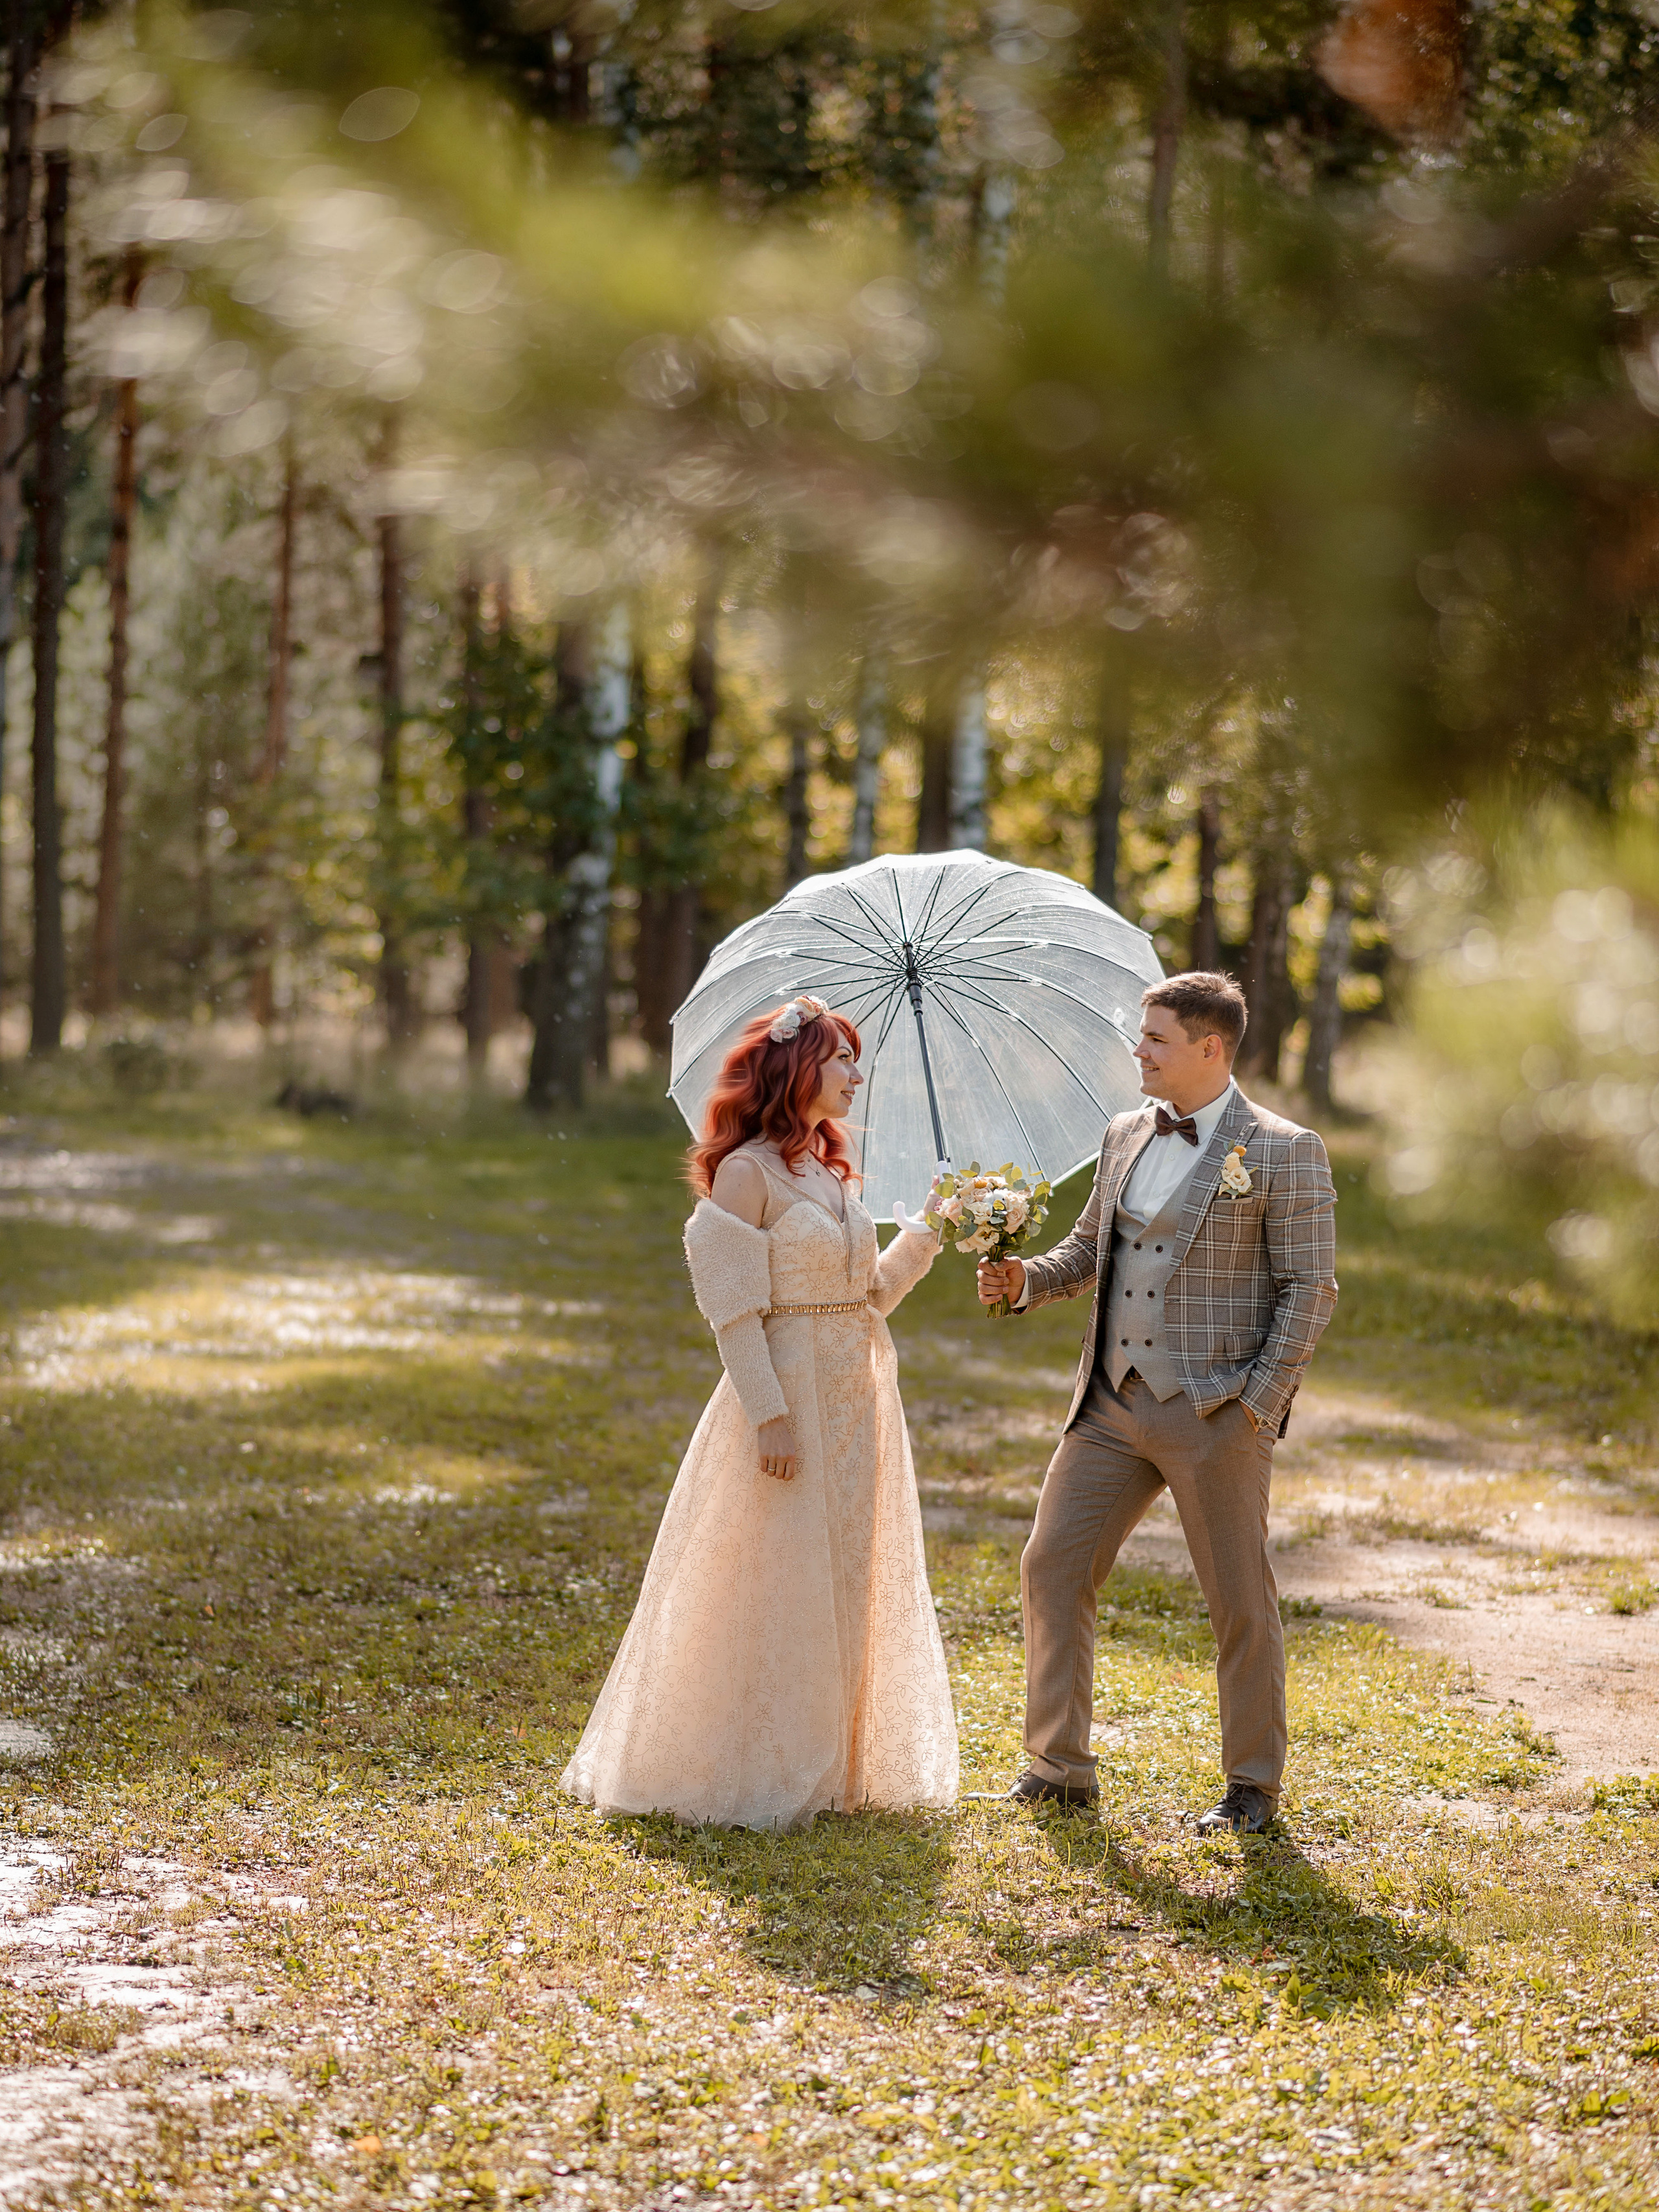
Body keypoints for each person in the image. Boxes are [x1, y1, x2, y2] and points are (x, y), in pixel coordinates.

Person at [561, 995, 958, 1830]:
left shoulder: (829, 1169)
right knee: (778, 1571)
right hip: (787, 1393)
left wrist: (929, 1226)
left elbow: (867, 1296)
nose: (856, 1076)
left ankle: (834, 1759)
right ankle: (756, 1757)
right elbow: (733, 1309)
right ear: (797, 1067)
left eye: (855, 1061)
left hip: (857, 1395)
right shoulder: (746, 1172)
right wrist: (769, 1414)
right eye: (842, 1059)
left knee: (845, 1566)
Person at [976, 971, 1337, 1835]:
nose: (1137, 1050)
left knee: (1237, 1598)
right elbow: (1088, 1248)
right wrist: (1025, 1279)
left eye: (1156, 1038)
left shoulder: (1284, 1149)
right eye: (1141, 1035)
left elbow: (1309, 1289)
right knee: (1052, 1564)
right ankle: (1059, 1768)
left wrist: (1256, 1403)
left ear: (1210, 1048)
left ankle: (1252, 1784)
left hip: (1214, 1410)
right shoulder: (1123, 1132)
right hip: (1110, 1402)